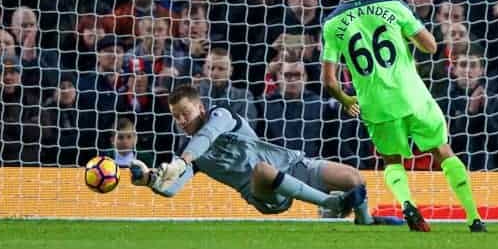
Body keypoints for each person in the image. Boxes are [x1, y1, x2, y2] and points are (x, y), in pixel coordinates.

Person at [320, 0, 486, 232]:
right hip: (413, 96)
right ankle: (474, 218)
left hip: (376, 104)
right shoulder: (393, 5)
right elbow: (431, 46)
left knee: (392, 160)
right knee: (443, 151)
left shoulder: (333, 24)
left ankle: (408, 203)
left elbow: (329, 82)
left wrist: (347, 100)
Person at [129, 84, 403, 226]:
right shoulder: (192, 156)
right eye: (175, 116)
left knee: (353, 178)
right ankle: (329, 204)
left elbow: (207, 136)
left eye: (184, 114)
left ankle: (365, 221)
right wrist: (150, 181)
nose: (179, 120)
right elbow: (171, 189)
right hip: (264, 194)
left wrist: (182, 160)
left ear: (200, 108)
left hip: (291, 163)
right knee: (261, 170)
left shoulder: (221, 116)